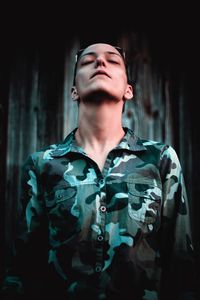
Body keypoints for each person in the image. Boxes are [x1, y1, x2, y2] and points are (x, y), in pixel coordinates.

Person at [0, 43, 196, 299]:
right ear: (73, 91)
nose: (101, 63)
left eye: (112, 60)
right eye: (89, 61)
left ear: (128, 91)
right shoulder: (42, 164)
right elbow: (23, 267)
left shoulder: (160, 159)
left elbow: (182, 265)